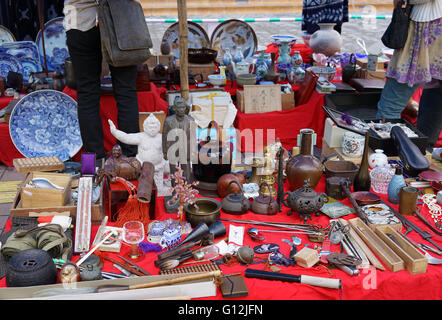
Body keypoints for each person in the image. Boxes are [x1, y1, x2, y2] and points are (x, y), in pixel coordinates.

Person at [64, 0, 140, 162]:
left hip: (80, 18)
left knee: (87, 93)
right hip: (121, 19)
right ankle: (129, 159)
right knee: (126, 91)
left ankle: (95, 162)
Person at [376, 0, 442, 149]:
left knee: (392, 102)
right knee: (435, 97)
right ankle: (421, 152)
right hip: (429, 24)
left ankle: (386, 154)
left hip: (425, 26)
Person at [162, 97, 195, 184]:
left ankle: (186, 191)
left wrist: (193, 152)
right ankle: (174, 192)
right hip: (172, 151)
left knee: (186, 174)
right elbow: (164, 137)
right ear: (175, 109)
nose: (181, 110)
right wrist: (165, 152)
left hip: (186, 151)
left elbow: (193, 137)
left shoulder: (191, 120)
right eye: (179, 107)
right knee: (174, 174)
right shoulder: (168, 121)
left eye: (183, 107)